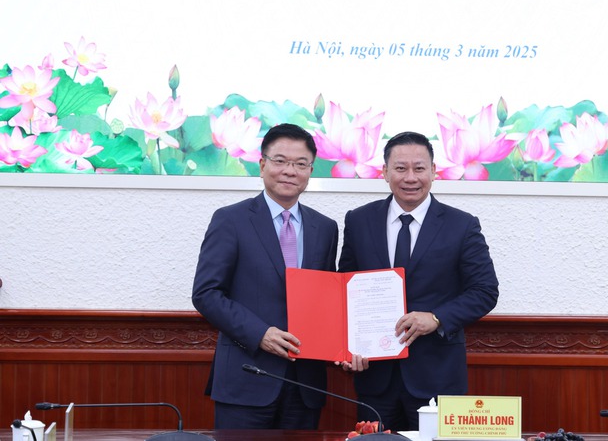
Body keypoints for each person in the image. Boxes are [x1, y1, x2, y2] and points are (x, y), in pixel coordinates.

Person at [338, 131, 499, 431]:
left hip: (437, 376)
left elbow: (485, 291)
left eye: (419, 168)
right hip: (375, 377)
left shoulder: (462, 225)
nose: (410, 177)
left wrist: (436, 318)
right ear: (385, 172)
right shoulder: (358, 221)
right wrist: (346, 348)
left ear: (434, 171)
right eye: (400, 168)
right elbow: (344, 289)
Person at [192, 123, 338, 430]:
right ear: (262, 165)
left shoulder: (325, 228)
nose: (290, 171)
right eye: (280, 161)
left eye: (300, 164)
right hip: (246, 377)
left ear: (310, 171)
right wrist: (260, 334)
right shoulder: (230, 220)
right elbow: (206, 293)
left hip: (305, 384)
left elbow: (327, 298)